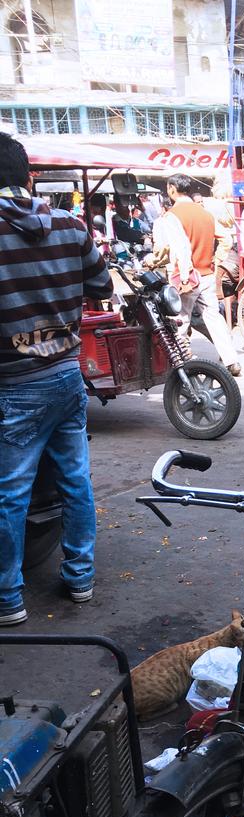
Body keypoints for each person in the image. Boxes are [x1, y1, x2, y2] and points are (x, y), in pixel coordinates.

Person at [0, 132, 113, 624]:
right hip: (67, 374)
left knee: (11, 492)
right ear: (28, 176)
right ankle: (81, 577)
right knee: (75, 480)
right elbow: (101, 285)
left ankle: (8, 598)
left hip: (15, 382)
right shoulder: (70, 224)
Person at [166, 173, 241, 377]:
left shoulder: (173, 216)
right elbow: (226, 238)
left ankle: (180, 365)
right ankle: (231, 360)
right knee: (214, 318)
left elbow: (181, 249)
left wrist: (184, 277)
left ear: (172, 189)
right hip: (207, 274)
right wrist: (216, 260)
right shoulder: (205, 214)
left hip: (188, 276)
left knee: (180, 321)